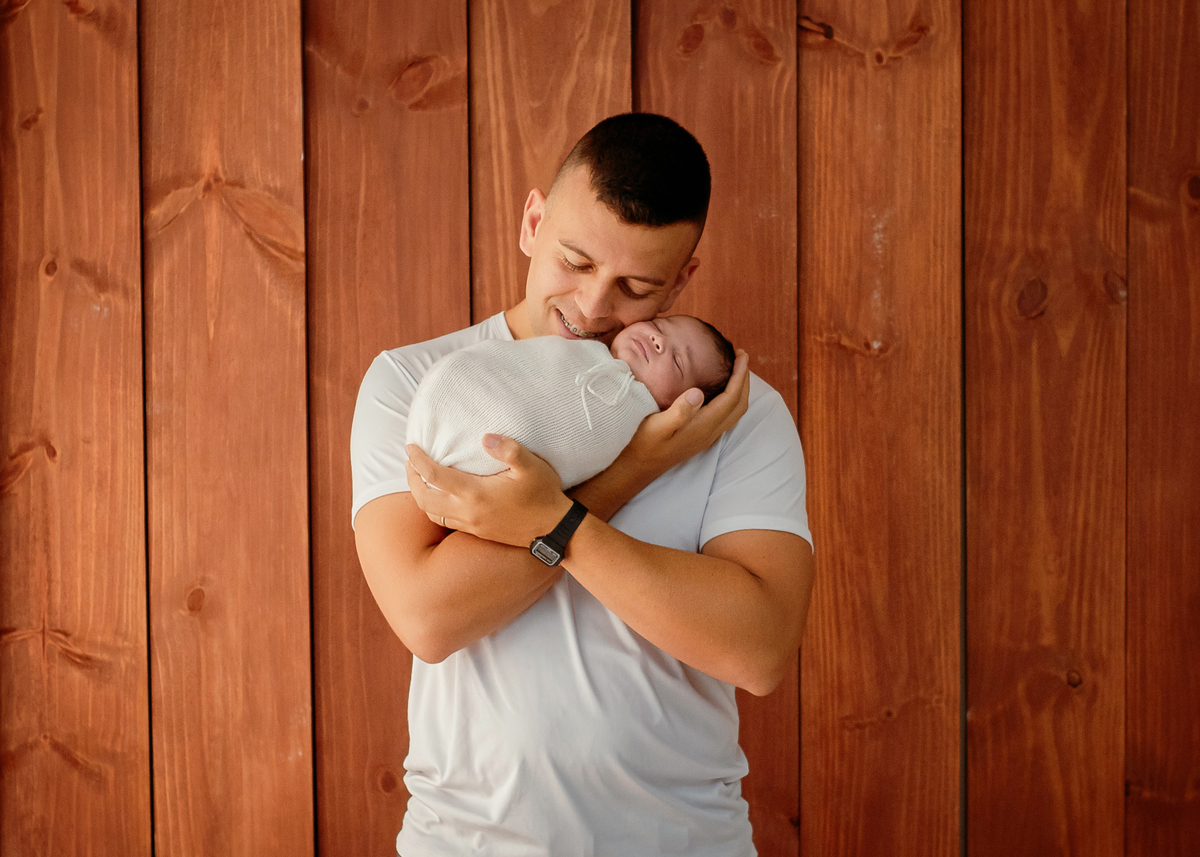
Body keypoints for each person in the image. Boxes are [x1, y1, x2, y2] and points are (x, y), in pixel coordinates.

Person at [351, 113, 814, 856]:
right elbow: (428, 619)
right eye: (575, 261)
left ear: (682, 279)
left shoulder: (726, 410)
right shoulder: (416, 382)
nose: (595, 306)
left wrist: (552, 523)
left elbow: (759, 651)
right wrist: (628, 473)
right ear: (533, 223)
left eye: (637, 286)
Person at [405, 314, 736, 491]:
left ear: (680, 404)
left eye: (678, 361)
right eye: (660, 325)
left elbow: (572, 449)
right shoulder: (583, 348)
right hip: (447, 404)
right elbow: (521, 362)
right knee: (463, 373)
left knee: (521, 424)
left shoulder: (630, 422)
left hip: (493, 459)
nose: (658, 340)